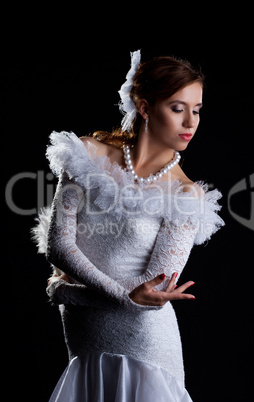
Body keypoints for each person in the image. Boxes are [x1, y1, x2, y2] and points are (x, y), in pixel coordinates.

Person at [32, 50, 224, 401]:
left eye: (197, 110)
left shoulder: (185, 195)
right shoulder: (85, 155)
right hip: (85, 342)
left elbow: (151, 295)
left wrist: (63, 292)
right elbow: (59, 246)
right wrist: (122, 296)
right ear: (146, 107)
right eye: (178, 108)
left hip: (145, 345)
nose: (190, 123)